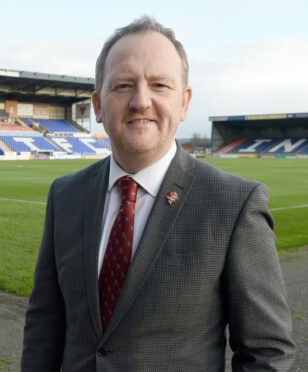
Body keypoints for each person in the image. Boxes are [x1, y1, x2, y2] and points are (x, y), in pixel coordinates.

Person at [21, 16, 295, 371]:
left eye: (159, 85)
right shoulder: (65, 195)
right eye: (123, 85)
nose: (140, 101)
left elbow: (267, 353)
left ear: (184, 102)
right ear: (98, 105)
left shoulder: (233, 205)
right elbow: (45, 323)